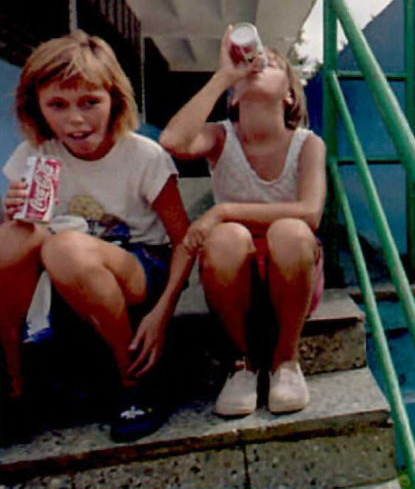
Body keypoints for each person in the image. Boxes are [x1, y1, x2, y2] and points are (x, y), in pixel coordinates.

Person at [0, 31, 191, 444]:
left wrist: (163, 314)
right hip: (69, 273)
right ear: (37, 107)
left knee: (63, 246)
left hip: (140, 266)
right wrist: (11, 213)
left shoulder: (143, 155)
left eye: (90, 102)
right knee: (12, 238)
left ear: (114, 101)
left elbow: (185, 241)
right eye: (58, 105)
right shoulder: (35, 154)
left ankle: (133, 378)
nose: (76, 119)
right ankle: (15, 384)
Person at [159, 26, 326, 418]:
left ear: (288, 93)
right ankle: (243, 363)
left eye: (269, 63)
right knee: (226, 238)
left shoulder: (307, 143)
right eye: (251, 63)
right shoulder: (220, 137)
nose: (257, 64)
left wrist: (222, 210)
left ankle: (286, 360)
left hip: (293, 273)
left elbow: (310, 212)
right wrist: (223, 76)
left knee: (289, 229)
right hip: (234, 276)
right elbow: (174, 141)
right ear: (233, 97)